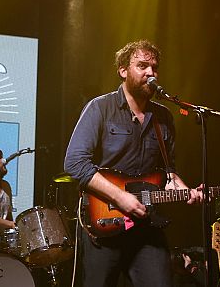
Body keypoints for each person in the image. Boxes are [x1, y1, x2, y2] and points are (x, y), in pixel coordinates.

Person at [64, 40, 203, 287]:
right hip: (104, 223)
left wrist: (184, 190)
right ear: (123, 70)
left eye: (154, 68)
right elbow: (75, 163)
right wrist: (120, 197)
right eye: (142, 66)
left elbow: (168, 172)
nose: (151, 73)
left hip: (147, 226)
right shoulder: (100, 108)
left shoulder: (164, 117)